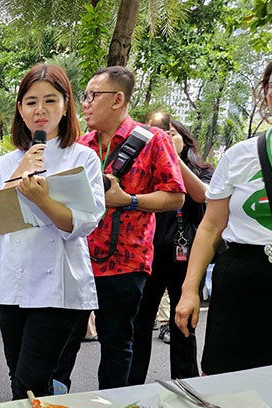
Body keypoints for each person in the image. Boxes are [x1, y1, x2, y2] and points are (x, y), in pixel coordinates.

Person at [176, 40, 272, 373]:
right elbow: (211, 226)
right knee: (232, 394)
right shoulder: (242, 154)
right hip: (241, 287)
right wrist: (189, 289)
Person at [55, 66, 185, 390]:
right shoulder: (80, 144)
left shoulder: (152, 140)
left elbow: (176, 196)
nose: (84, 103)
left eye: (91, 96)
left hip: (126, 262)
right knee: (62, 341)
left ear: (117, 99)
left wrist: (128, 199)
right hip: (77, 259)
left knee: (116, 343)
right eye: (83, 96)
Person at [0, 64, 105, 400]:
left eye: (50, 100)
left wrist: (43, 201)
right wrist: (21, 171)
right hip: (11, 286)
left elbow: (85, 222)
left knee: (31, 381)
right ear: (20, 109)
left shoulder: (83, 158)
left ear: (66, 106)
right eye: (31, 102)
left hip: (57, 289)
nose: (40, 110)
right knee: (18, 375)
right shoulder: (8, 162)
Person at [128, 115, 212, 384]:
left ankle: (186, 387)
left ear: (186, 140)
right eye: (159, 135)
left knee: (184, 325)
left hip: (187, 259)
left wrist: (171, 158)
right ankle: (132, 388)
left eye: (171, 134)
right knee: (139, 327)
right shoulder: (145, 170)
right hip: (149, 257)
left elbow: (200, 197)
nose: (164, 138)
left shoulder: (203, 170)